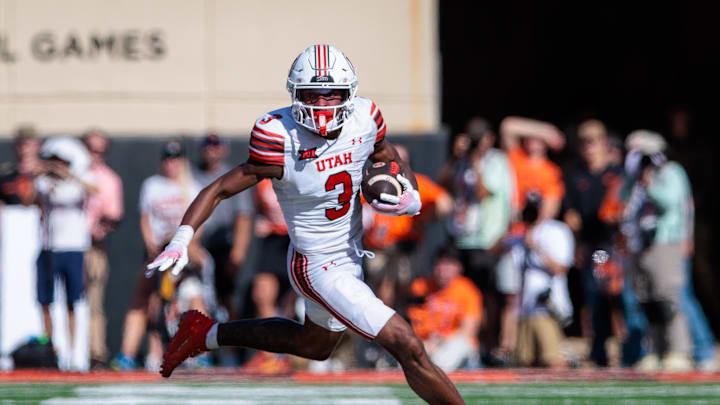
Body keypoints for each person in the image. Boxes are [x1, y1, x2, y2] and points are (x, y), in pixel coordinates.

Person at [147, 44, 466, 405]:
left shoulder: (364, 118)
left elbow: (387, 155)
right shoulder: (279, 136)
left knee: (313, 346)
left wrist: (408, 190)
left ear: (349, 94)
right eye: (313, 95)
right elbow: (220, 188)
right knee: (406, 344)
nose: (323, 106)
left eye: (333, 96)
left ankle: (204, 334)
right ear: (296, 94)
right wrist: (182, 237)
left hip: (350, 254)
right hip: (315, 265)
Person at [112, 140, 208, 371]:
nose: (171, 164)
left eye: (175, 159)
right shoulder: (153, 185)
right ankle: (132, 353)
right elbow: (145, 220)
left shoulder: (192, 186)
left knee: (194, 299)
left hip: (184, 255)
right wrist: (154, 247)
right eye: (167, 158)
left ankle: (201, 351)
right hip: (159, 254)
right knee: (148, 301)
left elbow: (201, 224)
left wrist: (184, 247)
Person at [438, 117, 514, 361]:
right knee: (464, 294)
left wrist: (474, 161)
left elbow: (483, 193)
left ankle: (489, 345)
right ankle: (467, 343)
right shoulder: (461, 162)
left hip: (487, 240)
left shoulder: (497, 162)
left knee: (488, 297)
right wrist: (455, 158)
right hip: (462, 239)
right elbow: (443, 185)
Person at [621, 130, 693, 372]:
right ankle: (656, 350)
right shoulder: (637, 178)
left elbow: (669, 202)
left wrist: (649, 182)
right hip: (639, 243)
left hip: (664, 241)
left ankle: (678, 350)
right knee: (647, 300)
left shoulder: (671, 172)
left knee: (667, 298)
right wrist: (633, 178)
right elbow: (623, 200)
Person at [562, 120, 623, 366]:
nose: (589, 147)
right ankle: (598, 350)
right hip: (590, 246)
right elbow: (570, 213)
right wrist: (575, 239)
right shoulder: (576, 176)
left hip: (614, 245)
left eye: (594, 141)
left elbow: (622, 209)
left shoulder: (616, 174)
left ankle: (628, 350)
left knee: (619, 300)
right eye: (584, 142)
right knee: (593, 300)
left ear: (604, 143)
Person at [33, 137, 96, 367]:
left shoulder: (80, 180)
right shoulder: (43, 183)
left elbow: (94, 190)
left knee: (72, 302)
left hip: (73, 248)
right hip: (48, 248)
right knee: (45, 301)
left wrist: (68, 175)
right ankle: (50, 350)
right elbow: (30, 197)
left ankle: (72, 353)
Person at [501, 193, 574, 368]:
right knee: (524, 361)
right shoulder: (519, 235)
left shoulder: (557, 230)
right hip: (523, 309)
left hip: (546, 307)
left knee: (552, 359)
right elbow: (494, 251)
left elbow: (561, 268)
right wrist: (510, 225)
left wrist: (536, 247)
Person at [191, 133, 253, 322]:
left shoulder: (233, 175)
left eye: (216, 145)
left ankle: (229, 349)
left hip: (222, 244)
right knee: (194, 294)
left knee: (226, 296)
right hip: (197, 245)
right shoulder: (190, 175)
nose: (211, 149)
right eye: (207, 145)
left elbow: (243, 217)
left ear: (225, 149)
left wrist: (238, 253)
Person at [82, 129, 124, 369]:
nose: (94, 156)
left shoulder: (109, 179)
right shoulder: (71, 174)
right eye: (90, 149)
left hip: (92, 245)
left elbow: (114, 216)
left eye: (100, 151)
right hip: (61, 244)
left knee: (93, 301)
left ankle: (95, 352)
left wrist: (102, 226)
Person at [407, 246, 482, 372]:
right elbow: (409, 323)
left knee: (452, 353)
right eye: (440, 263)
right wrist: (421, 344)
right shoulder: (420, 287)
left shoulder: (468, 290)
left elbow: (468, 331)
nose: (443, 269)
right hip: (423, 344)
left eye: (449, 264)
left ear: (459, 268)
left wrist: (438, 342)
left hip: (451, 345)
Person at [500, 116, 565, 222]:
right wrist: (545, 131)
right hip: (508, 219)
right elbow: (507, 126)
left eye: (537, 138)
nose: (533, 139)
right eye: (530, 136)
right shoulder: (516, 157)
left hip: (533, 225)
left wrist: (533, 229)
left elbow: (550, 209)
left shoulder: (551, 171)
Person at [0, 125, 43, 206]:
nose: (24, 149)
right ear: (14, 145)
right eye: (21, 144)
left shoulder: (50, 173)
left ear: (38, 145)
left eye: (28, 144)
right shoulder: (5, 174)